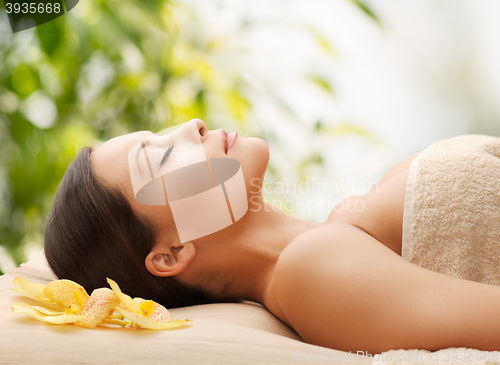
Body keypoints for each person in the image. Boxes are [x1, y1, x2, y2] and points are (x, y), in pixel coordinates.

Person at [44, 118, 500, 355]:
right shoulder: (310, 270)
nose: (192, 126)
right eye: (162, 159)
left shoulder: (340, 232)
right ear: (172, 253)